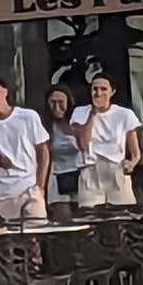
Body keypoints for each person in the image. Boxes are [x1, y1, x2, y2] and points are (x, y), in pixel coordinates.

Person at [0, 76, 50, 227]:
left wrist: (40, 185)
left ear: (5, 92)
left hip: (29, 187)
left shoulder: (28, 116)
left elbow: (43, 151)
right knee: (13, 235)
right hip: (5, 193)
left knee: (36, 230)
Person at [71, 74, 141, 208]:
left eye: (103, 89)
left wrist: (132, 163)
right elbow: (83, 144)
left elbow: (135, 151)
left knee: (123, 212)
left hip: (116, 168)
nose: (98, 93)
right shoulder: (80, 112)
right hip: (90, 170)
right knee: (90, 212)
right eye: (95, 89)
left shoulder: (124, 114)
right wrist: (93, 113)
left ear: (112, 92)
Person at [44, 84, 83, 219]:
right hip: (57, 176)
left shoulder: (79, 122)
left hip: (80, 175)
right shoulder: (46, 126)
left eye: (61, 102)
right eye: (52, 102)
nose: (56, 107)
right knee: (63, 217)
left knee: (83, 216)